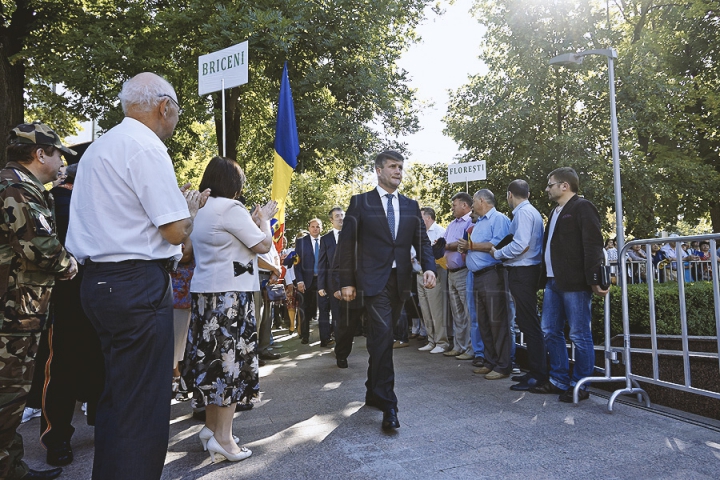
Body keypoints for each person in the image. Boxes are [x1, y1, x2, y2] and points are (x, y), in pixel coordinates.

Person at [65, 72, 208, 480]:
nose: (177, 119)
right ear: (165, 107)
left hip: (99, 283)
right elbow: (175, 231)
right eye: (177, 111)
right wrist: (190, 212)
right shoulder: (145, 147)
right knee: (143, 408)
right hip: (136, 285)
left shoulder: (100, 147)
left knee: (116, 400)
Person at [182, 156, 276, 463]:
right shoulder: (231, 208)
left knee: (212, 364)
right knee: (229, 367)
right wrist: (264, 219)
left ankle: (211, 429)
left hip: (205, 295)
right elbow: (262, 245)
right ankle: (223, 439)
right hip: (230, 298)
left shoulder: (203, 208)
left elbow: (210, 248)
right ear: (231, 182)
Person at [0, 122, 78, 480]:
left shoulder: (19, 185)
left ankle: (11, 467)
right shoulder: (17, 189)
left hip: (19, 310)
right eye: (57, 152)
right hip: (12, 315)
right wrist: (71, 264)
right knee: (7, 398)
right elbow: (41, 247)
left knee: (10, 400)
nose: (61, 160)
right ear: (39, 154)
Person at [336, 150, 436, 430]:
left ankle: (372, 390)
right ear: (379, 170)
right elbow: (346, 245)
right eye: (393, 166)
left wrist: (429, 267)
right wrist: (346, 281)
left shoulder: (410, 205)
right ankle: (389, 403)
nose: (398, 171)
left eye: (401, 167)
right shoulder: (361, 202)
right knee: (382, 338)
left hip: (401, 282)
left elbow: (423, 241)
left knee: (383, 337)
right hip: (372, 282)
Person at [33, 162, 104, 468]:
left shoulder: (100, 198)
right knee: (62, 365)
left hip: (94, 290)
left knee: (97, 361)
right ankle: (57, 436)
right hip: (68, 293)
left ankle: (94, 426)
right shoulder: (57, 198)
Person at [530, 167, 607, 403]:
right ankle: (559, 380)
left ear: (565, 185)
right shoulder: (554, 212)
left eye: (550, 184)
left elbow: (593, 243)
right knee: (550, 331)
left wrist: (595, 278)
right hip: (553, 282)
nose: (547, 188)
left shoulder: (582, 207)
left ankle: (580, 384)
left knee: (579, 334)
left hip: (575, 283)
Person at [490, 180, 546, 390]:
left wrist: (498, 253)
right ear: (528, 194)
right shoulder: (531, 211)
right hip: (526, 271)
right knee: (527, 321)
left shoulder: (523, 213)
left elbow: (521, 245)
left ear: (509, 195)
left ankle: (538, 374)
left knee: (529, 323)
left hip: (524, 271)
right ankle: (534, 371)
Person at [458, 189, 512, 380]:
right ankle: (490, 361)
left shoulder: (499, 219)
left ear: (482, 200)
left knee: (497, 322)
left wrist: (470, 246)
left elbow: (497, 246)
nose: (472, 205)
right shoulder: (479, 222)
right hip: (477, 276)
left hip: (493, 275)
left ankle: (503, 365)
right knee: (484, 321)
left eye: (473, 201)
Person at [442, 193, 475, 360]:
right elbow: (445, 243)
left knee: (468, 312)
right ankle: (458, 346)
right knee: (457, 313)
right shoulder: (452, 224)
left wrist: (447, 245)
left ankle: (470, 349)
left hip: (463, 272)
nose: (452, 208)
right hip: (451, 273)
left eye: (454, 205)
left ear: (464, 205)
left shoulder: (471, 221)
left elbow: (464, 244)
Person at [416, 207, 449, 354]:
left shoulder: (440, 232)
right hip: (418, 274)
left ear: (428, 218)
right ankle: (431, 340)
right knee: (425, 309)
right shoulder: (417, 234)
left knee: (436, 309)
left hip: (434, 273)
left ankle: (442, 342)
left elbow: (443, 256)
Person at [295, 218, 327, 345]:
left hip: (322, 279)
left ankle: (325, 338)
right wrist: (299, 281)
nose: (315, 229)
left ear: (321, 228)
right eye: (313, 226)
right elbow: (297, 264)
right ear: (308, 228)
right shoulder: (301, 242)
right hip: (306, 280)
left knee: (323, 308)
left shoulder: (326, 241)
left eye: (318, 226)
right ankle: (305, 335)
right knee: (305, 308)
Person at [317, 207, 345, 349]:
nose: (340, 218)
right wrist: (321, 286)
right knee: (337, 316)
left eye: (342, 215)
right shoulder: (326, 239)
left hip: (351, 283)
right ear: (331, 220)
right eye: (337, 216)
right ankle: (340, 348)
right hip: (333, 284)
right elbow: (321, 264)